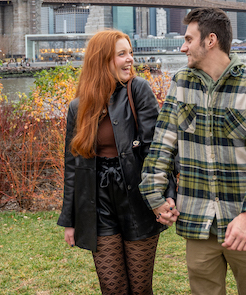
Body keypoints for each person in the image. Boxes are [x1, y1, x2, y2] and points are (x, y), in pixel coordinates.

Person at [141, 8, 246, 295]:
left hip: (245, 224)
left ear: (210, 40)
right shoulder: (180, 84)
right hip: (197, 220)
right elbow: (161, 147)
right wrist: (155, 198)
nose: (182, 47)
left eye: (188, 39)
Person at [57, 30, 174, 295]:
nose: (130, 59)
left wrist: (166, 196)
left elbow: (156, 150)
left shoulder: (138, 89)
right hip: (98, 203)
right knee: (112, 288)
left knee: (140, 288)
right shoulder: (79, 107)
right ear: (102, 60)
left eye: (130, 52)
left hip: (137, 199)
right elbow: (73, 165)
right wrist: (70, 219)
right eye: (122, 54)